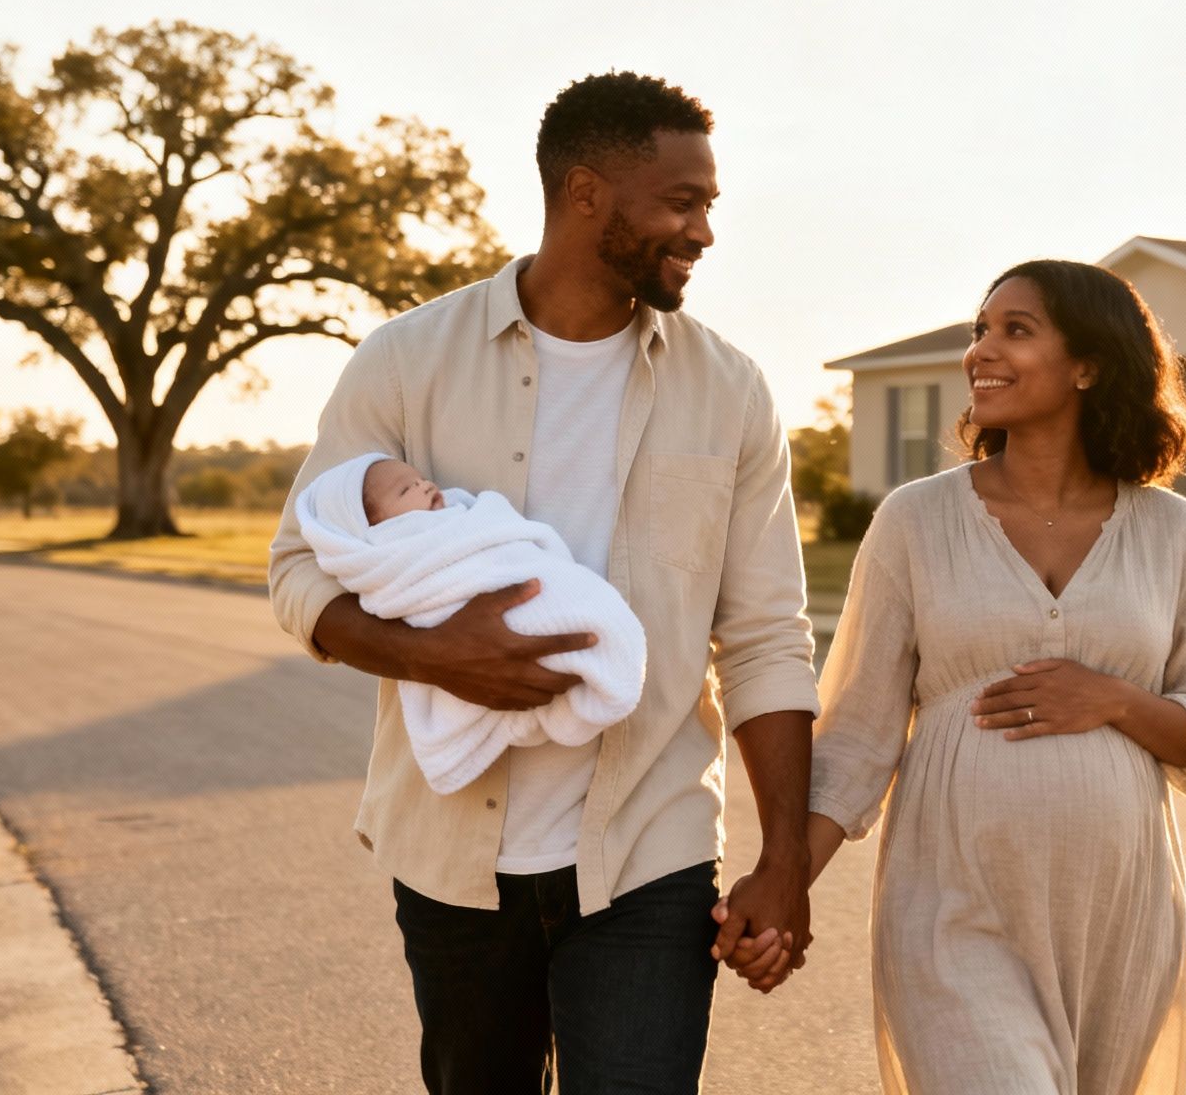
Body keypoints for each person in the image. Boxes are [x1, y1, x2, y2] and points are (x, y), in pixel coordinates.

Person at [268, 71, 818, 1095]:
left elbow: (764, 637)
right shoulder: (405, 361)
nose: (702, 232)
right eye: (682, 203)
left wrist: (785, 860)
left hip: (650, 852)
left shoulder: (731, 391)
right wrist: (433, 657)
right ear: (585, 193)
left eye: (708, 205)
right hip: (451, 859)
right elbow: (297, 569)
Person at [797, 259, 1186, 1094]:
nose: (981, 351)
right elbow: (856, 737)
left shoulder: (1173, 533)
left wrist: (1115, 698)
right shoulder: (916, 521)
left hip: (1119, 916)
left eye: (1016, 330)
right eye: (981, 330)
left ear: (1088, 365)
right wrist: (782, 885)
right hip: (953, 907)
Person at [294, 451, 648, 795]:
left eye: (419, 479)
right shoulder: (392, 554)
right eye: (405, 490)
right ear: (372, 528)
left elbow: (503, 540)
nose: (424, 485)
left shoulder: (468, 513)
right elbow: (410, 591)